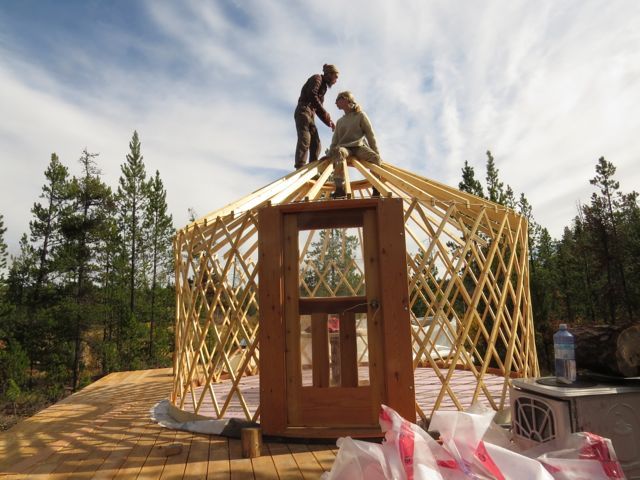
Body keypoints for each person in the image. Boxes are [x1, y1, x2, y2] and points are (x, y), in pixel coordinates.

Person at [326, 91, 381, 198]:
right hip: (345, 148)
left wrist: (377, 152)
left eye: (337, 100)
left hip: (359, 146)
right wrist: (329, 155)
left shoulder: (360, 115)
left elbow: (370, 135)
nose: (335, 103)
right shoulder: (340, 121)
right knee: (339, 152)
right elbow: (335, 140)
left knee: (375, 158)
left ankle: (376, 188)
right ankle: (339, 189)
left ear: (346, 99)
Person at [294, 64, 339, 169]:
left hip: (311, 114)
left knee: (316, 143)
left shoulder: (323, 87)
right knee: (305, 139)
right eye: (335, 77)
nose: (336, 80)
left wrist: (329, 121)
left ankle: (312, 169)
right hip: (303, 110)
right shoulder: (317, 78)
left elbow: (318, 108)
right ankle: (300, 167)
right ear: (329, 74)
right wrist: (326, 115)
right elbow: (312, 95)